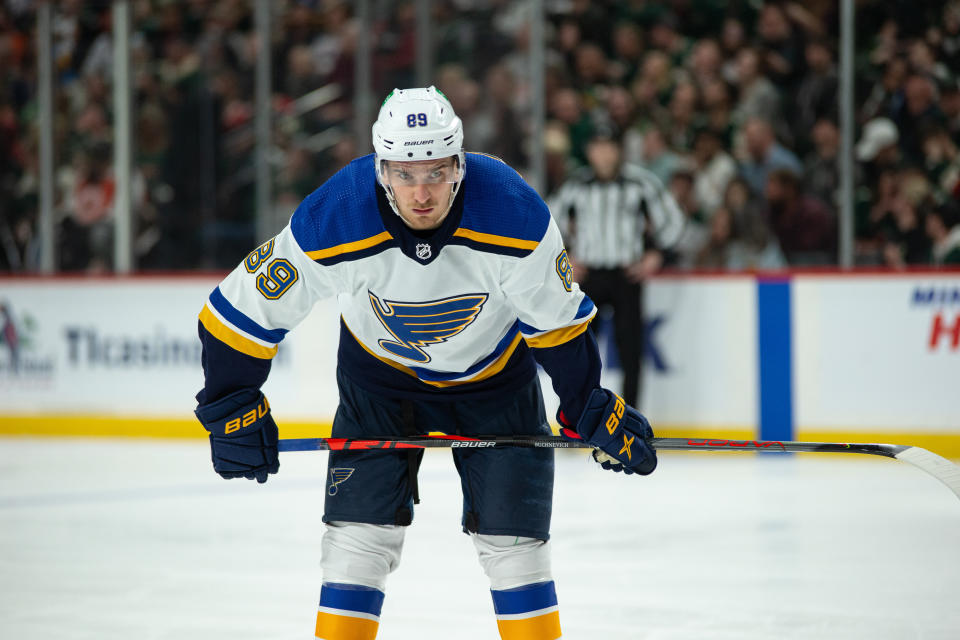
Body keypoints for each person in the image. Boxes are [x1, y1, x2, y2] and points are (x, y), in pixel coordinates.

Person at [192, 87, 658, 640]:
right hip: (378, 385)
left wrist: (587, 406)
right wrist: (230, 403)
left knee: (517, 548)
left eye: (436, 172)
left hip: (495, 382)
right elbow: (240, 310)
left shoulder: (512, 208)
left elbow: (556, 323)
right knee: (356, 546)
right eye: (404, 173)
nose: (421, 193)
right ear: (380, 169)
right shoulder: (338, 213)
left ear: (460, 166)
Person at [549, 126, 685, 409]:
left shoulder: (640, 183)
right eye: (597, 147)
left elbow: (673, 221)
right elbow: (547, 225)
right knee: (582, 353)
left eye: (609, 146)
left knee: (631, 353)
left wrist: (657, 254)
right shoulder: (576, 185)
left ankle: (630, 417)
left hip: (626, 275)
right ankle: (582, 415)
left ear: (619, 150)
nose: (603, 154)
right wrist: (565, 258)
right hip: (589, 277)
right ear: (589, 152)